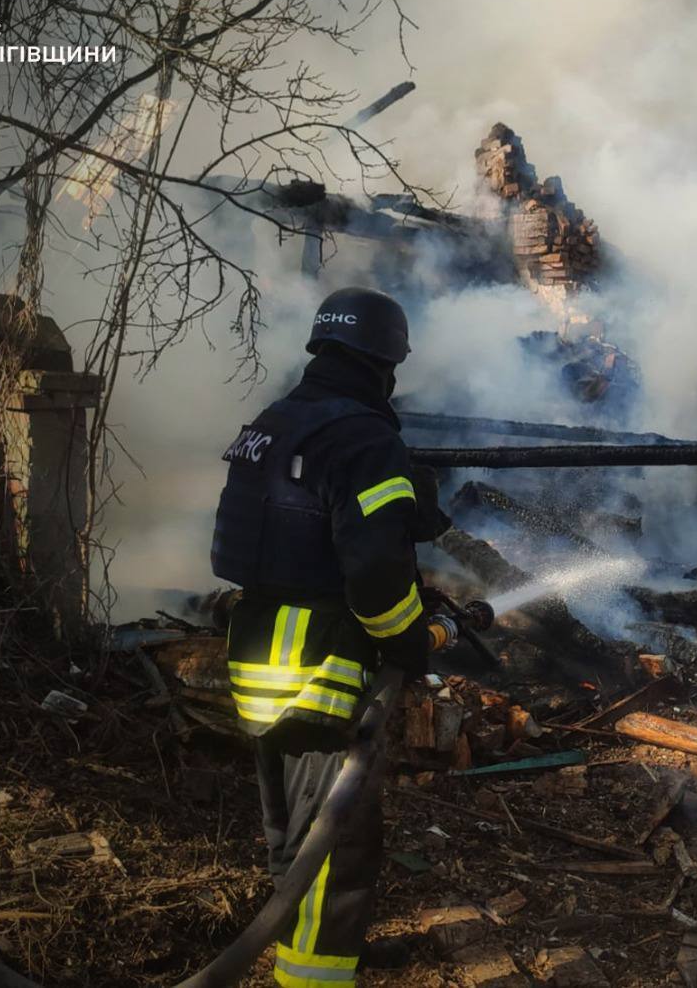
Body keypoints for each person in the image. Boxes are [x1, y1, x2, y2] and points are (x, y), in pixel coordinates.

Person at [210, 286, 448, 987]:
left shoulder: (276, 421)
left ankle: (307, 954)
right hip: (321, 666)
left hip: (259, 654)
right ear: (386, 364)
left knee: (292, 833)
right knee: (333, 846)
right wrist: (410, 638)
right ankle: (314, 977)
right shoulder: (364, 440)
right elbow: (373, 570)